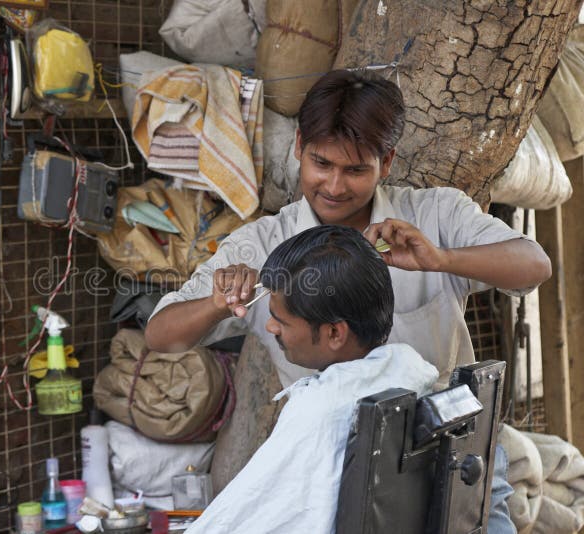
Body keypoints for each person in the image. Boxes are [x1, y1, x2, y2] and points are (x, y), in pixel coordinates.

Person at [145, 68, 551, 532]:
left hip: (453, 453)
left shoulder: (434, 214)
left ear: (388, 161)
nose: (335, 187)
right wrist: (218, 300)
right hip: (342, 471)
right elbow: (161, 336)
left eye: (356, 170)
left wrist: (441, 258)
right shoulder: (261, 245)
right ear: (298, 147)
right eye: (322, 164)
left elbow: (534, 265)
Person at [185, 225, 439, 533]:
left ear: (334, 333)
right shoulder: (410, 371)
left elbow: (235, 522)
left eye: (281, 321)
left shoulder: (318, 411)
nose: (270, 328)